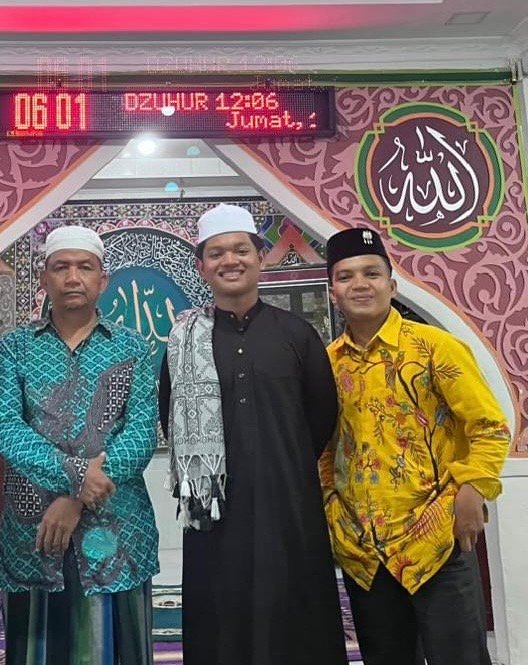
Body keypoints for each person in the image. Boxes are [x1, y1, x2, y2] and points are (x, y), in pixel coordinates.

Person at [159, 203, 348, 665]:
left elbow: (322, 414)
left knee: (297, 616)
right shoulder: (183, 342)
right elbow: (170, 416)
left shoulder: (297, 334)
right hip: (215, 511)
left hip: (290, 505)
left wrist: (283, 461)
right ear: (202, 267)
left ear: (260, 257)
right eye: (217, 253)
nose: (230, 260)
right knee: (221, 617)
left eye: (241, 250)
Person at [321, 227, 511, 665]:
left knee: (459, 657)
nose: (360, 284)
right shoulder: (327, 363)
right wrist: (331, 506)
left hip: (437, 538)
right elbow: (324, 446)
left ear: (392, 285)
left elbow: (489, 425)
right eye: (346, 277)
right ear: (333, 293)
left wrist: (472, 489)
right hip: (365, 550)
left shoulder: (435, 348)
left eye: (371, 273)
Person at [0, 225, 159, 665]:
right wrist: (79, 476)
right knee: (37, 647)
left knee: (118, 647)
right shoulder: (15, 347)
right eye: (61, 267)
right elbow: (6, 426)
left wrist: (77, 497)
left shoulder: (133, 347)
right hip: (33, 527)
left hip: (117, 527)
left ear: (103, 280)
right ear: (44, 278)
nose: (72, 277)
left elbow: (141, 433)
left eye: (85, 267)